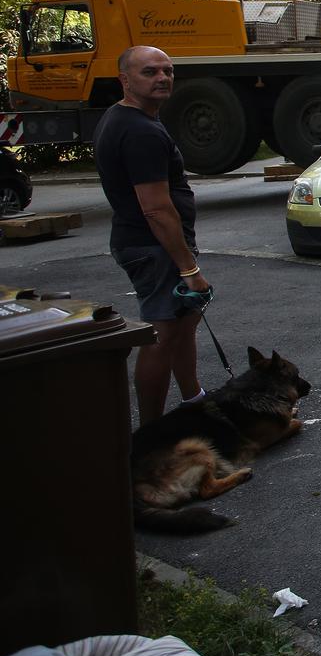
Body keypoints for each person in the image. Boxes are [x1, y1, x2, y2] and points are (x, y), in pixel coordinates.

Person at [95, 46, 209, 426]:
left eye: (167, 70)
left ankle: (195, 399)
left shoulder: (127, 118)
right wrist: (187, 267)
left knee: (184, 323)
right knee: (162, 336)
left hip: (153, 245)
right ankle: (152, 433)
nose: (162, 77)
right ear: (125, 80)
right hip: (153, 247)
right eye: (149, 72)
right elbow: (155, 209)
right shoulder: (139, 131)